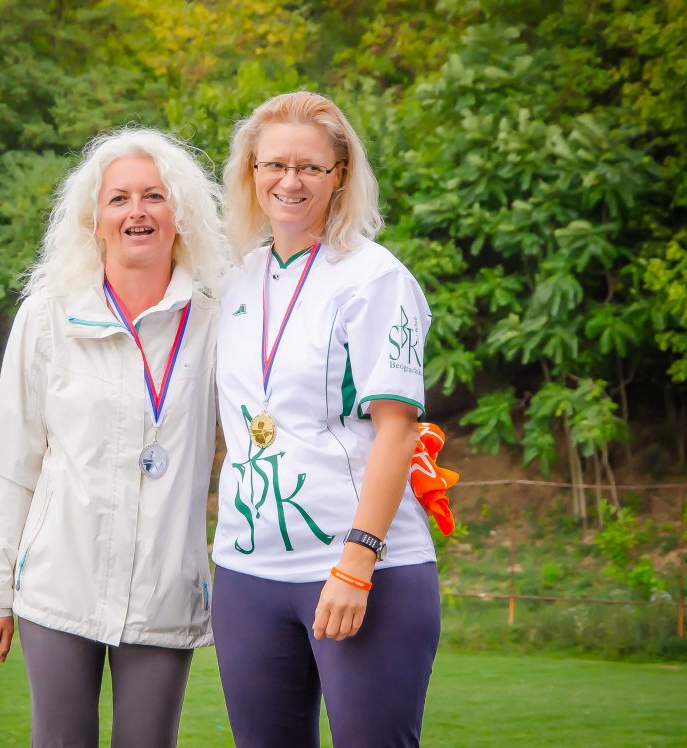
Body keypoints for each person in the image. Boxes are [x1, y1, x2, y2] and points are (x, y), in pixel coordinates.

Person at [0, 128, 225, 748]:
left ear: (181, 215)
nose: (138, 211)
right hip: (58, 587)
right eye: (119, 199)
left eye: (155, 196)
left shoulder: (216, 324)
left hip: (164, 592)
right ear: (94, 220)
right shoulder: (46, 316)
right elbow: (17, 467)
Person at [212, 91, 442, 747]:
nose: (290, 181)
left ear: (340, 174)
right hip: (246, 574)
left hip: (360, 569)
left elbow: (398, 431)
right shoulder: (235, 277)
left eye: (310, 167)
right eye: (274, 165)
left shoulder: (374, 278)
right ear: (252, 172)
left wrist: (356, 564)